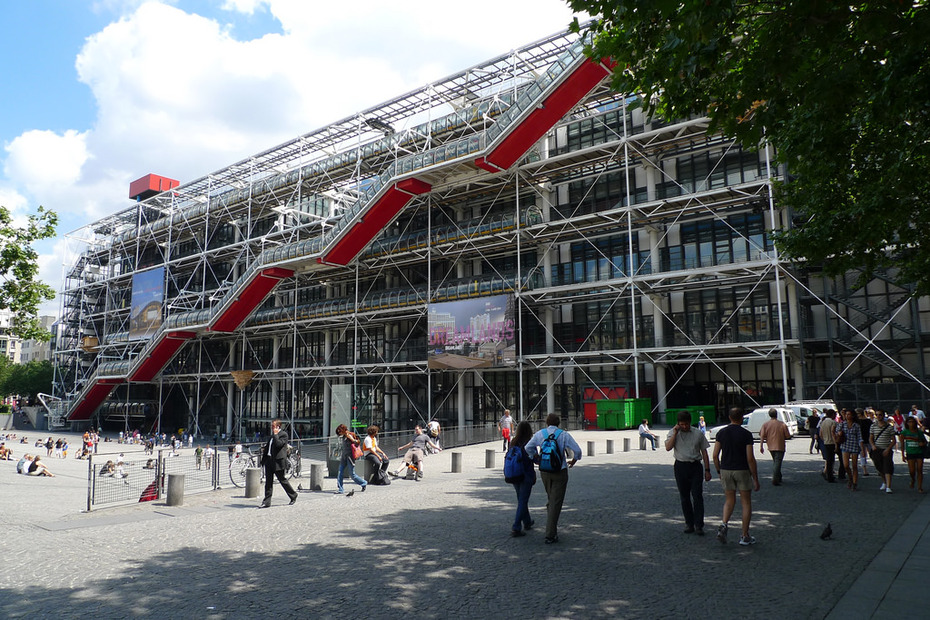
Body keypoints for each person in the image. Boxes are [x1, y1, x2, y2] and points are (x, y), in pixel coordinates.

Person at [524, 413, 582, 544]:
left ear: (546, 422)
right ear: (558, 423)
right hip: (559, 470)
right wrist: (573, 460)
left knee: (551, 497)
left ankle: (550, 508)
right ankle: (550, 534)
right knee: (556, 502)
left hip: (544, 470)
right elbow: (577, 450)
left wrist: (535, 458)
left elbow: (528, 448)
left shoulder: (540, 434)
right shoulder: (563, 434)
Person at [713, 407, 760, 546]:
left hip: (726, 469)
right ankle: (744, 535)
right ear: (742, 418)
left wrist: (718, 471)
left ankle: (724, 524)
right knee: (746, 502)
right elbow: (750, 458)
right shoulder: (746, 434)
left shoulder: (722, 432)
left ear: (729, 417)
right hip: (742, 469)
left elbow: (715, 455)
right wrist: (755, 477)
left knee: (729, 500)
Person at [665, 410, 712, 535]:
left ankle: (699, 525)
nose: (684, 426)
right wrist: (675, 433)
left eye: (686, 424)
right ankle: (689, 523)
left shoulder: (697, 433)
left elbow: (705, 452)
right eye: (682, 424)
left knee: (697, 496)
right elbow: (668, 447)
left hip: (695, 466)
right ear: (678, 423)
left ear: (690, 422)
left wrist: (707, 470)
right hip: (680, 466)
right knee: (684, 497)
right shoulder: (673, 432)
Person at [259, 419, 297, 508]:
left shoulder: (283, 435)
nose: (271, 427)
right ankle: (267, 501)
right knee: (268, 482)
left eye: (273, 426)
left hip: (277, 461)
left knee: (282, 480)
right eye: (271, 426)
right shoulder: (272, 436)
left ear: (278, 426)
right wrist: (263, 459)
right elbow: (269, 447)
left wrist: (276, 435)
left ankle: (293, 495)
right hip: (269, 460)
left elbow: (278, 444)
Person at [508, 421, 537, 537]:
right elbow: (535, 458)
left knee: (521, 498)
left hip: (514, 474)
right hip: (526, 474)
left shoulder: (513, 442)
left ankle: (527, 521)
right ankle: (516, 527)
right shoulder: (529, 443)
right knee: (523, 500)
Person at [759, 408, 790, 486]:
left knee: (776, 461)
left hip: (770, 446)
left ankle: (779, 476)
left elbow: (762, 436)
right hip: (780, 445)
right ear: (777, 415)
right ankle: (775, 479)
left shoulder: (765, 424)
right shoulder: (782, 424)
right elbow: (787, 435)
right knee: (777, 462)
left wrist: (761, 446)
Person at [868, 409, 896, 493]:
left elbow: (893, 440)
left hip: (886, 449)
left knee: (887, 467)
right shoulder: (873, 426)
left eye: (880, 415)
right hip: (877, 449)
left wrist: (888, 449)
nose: (878, 416)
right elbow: (871, 438)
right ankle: (884, 482)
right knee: (879, 467)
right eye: (877, 415)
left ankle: (888, 486)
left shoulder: (889, 427)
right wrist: (872, 445)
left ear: (883, 416)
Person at [334, 424, 367, 494]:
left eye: (339, 432)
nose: (339, 434)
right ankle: (341, 489)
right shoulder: (343, 437)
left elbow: (357, 443)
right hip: (344, 456)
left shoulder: (351, 434)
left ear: (343, 430)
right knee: (340, 472)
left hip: (350, 457)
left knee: (352, 474)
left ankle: (363, 483)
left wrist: (351, 438)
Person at [836, 409, 863, 491]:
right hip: (845, 445)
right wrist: (839, 434)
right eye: (846, 414)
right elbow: (836, 431)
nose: (847, 416)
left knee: (854, 466)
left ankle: (854, 483)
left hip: (854, 445)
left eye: (849, 414)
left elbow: (859, 437)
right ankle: (850, 477)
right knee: (846, 465)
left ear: (853, 416)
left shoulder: (856, 425)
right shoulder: (842, 424)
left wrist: (862, 448)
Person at [900, 417, 926, 493]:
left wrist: (922, 443)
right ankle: (913, 479)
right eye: (909, 422)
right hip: (910, 453)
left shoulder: (919, 432)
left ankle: (920, 487)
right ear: (907, 423)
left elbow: (925, 441)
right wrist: (902, 455)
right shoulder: (904, 432)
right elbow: (902, 444)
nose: (911, 423)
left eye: (912, 422)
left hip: (919, 452)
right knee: (912, 471)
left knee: (920, 470)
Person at [820, 409, 838, 482]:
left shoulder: (823, 422)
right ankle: (830, 476)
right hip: (832, 442)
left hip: (826, 442)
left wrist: (824, 439)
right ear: (833, 415)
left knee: (828, 459)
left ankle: (827, 474)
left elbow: (820, 434)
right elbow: (833, 433)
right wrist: (836, 443)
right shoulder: (833, 422)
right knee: (831, 460)